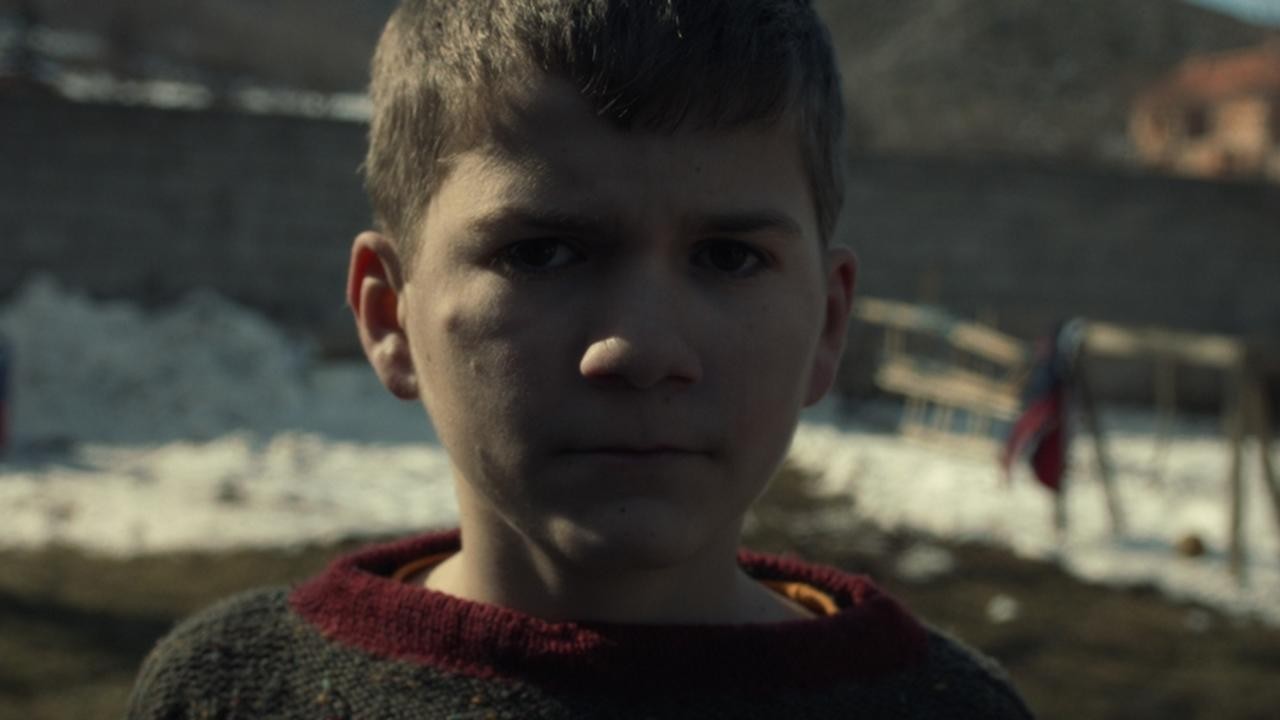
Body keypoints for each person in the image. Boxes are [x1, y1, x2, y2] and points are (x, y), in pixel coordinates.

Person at [127, 0, 1034, 717]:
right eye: (542, 253)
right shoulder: (228, 693)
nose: (642, 349)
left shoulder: (949, 708)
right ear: (390, 315)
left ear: (828, 325)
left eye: (728, 258)